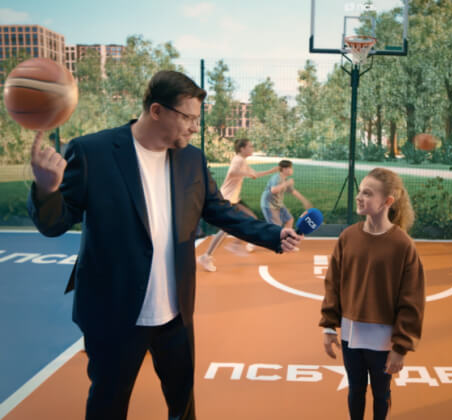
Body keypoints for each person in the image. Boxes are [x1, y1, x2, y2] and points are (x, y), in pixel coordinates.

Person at [27, 70, 302, 420]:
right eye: (188, 118)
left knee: (182, 404)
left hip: (175, 313)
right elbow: (54, 224)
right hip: (114, 314)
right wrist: (47, 189)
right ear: (156, 111)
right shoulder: (93, 151)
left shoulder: (192, 159)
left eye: (196, 119)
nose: (194, 128)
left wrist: (273, 235)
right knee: (108, 404)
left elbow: (219, 210)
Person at [319, 168, 425, 420]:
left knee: (381, 392)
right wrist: (328, 326)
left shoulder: (402, 245)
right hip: (350, 333)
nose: (359, 197)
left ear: (387, 201)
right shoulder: (348, 237)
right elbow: (333, 283)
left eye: (367, 193)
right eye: (360, 191)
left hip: (383, 339)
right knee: (355, 389)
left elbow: (412, 299)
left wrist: (401, 346)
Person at [196, 138, 279, 272]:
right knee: (230, 226)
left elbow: (254, 175)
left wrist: (271, 171)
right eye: (250, 146)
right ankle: (210, 255)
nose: (252, 148)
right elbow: (232, 173)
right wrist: (246, 173)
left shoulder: (242, 161)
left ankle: (224, 248)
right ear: (242, 149)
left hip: (233, 198)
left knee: (247, 219)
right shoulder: (238, 160)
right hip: (227, 198)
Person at [260, 159, 312, 228]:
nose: (292, 170)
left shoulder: (285, 180)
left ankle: (286, 234)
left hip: (278, 204)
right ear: (284, 169)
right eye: (290, 168)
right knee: (276, 226)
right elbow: (273, 190)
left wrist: (305, 201)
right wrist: (286, 183)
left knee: (289, 220)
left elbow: (293, 191)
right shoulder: (276, 178)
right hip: (269, 205)